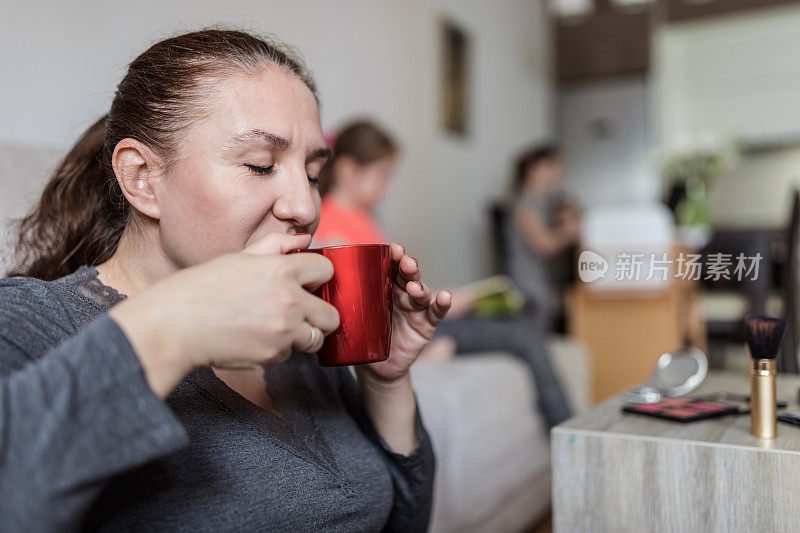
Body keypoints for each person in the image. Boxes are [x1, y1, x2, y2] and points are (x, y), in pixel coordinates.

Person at [0, 30, 452, 532]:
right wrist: (173, 327)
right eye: (260, 166)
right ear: (143, 178)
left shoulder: (294, 331)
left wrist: (386, 381)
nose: (305, 208)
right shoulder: (30, 323)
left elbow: (395, 522)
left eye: (312, 175)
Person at [316, 121, 573, 428]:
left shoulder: (360, 219)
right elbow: (359, 316)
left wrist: (440, 296)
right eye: (383, 176)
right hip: (403, 326)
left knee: (515, 323)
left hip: (410, 317)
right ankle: (569, 435)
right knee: (526, 338)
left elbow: (389, 288)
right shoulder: (331, 227)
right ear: (346, 170)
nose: (390, 188)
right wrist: (420, 347)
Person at [506, 144, 580, 333]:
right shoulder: (526, 204)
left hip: (544, 283)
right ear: (534, 168)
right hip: (529, 285)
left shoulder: (547, 203)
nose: (557, 173)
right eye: (551, 166)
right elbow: (543, 245)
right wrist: (570, 232)